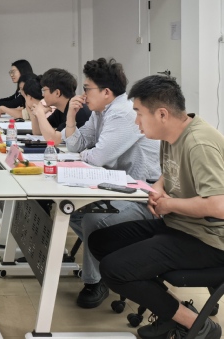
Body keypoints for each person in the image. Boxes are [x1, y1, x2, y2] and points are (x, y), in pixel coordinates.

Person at [90, 76, 224, 339]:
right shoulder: (171, 134)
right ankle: (171, 311)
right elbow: (172, 171)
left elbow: (219, 205)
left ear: (162, 114)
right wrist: (159, 187)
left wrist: (169, 203)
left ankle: (196, 325)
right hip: (179, 226)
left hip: (210, 240)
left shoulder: (199, 143)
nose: (136, 122)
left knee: (114, 270)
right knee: (101, 241)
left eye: (139, 113)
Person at [63, 58, 161, 309]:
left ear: (106, 92)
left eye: (87, 89)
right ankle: (111, 262)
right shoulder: (101, 112)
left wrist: (85, 154)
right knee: (73, 212)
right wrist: (71, 117)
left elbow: (98, 158)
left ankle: (95, 281)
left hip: (146, 193)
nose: (83, 94)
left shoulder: (122, 112)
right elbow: (76, 145)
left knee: (93, 220)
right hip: (121, 186)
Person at [28, 68, 92, 143]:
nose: (43, 94)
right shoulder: (60, 110)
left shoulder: (77, 110)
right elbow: (38, 132)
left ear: (57, 93)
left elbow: (53, 140)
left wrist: (40, 114)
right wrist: (36, 114)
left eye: (44, 90)